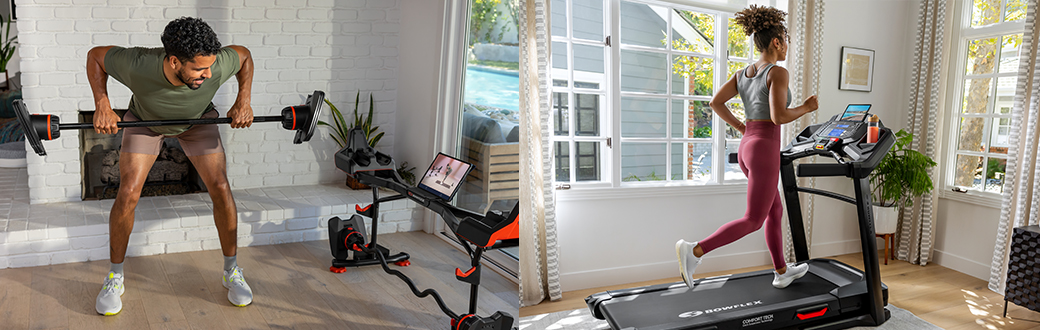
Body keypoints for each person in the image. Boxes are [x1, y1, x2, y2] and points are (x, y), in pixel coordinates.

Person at [87, 17, 255, 315]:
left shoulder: (217, 63)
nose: (208, 73)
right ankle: (115, 276)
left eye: (211, 66)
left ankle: (231, 271)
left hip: (197, 120)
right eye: (199, 69)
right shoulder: (138, 63)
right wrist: (102, 103)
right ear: (175, 61)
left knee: (220, 186)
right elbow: (96, 56)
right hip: (146, 123)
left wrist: (244, 99)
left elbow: (243, 55)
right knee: (127, 192)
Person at [675, 5, 819, 290]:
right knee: (754, 219)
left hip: (747, 147)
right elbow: (778, 117)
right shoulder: (777, 72)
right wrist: (806, 107)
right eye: (785, 41)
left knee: (774, 210)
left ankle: (781, 271)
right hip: (764, 149)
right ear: (777, 42)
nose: (787, 46)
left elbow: (716, 102)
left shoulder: (743, 73)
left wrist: (742, 128)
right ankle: (694, 251)